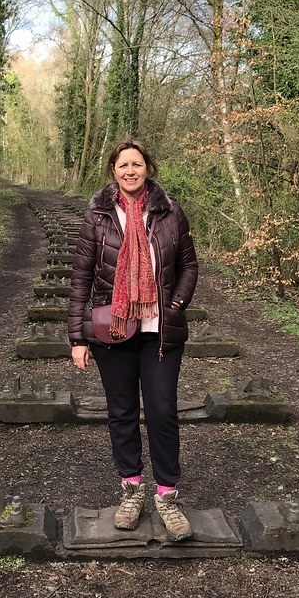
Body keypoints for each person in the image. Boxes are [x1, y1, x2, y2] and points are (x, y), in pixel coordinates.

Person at [68, 138, 198, 540]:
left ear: (148, 169)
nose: (130, 171)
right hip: (113, 331)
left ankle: (167, 497)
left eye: (137, 164)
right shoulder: (98, 215)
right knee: (121, 413)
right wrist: (78, 336)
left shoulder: (170, 212)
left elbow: (189, 264)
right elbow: (81, 278)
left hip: (160, 332)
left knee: (162, 413)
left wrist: (175, 304)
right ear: (113, 171)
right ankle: (130, 491)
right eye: (123, 165)